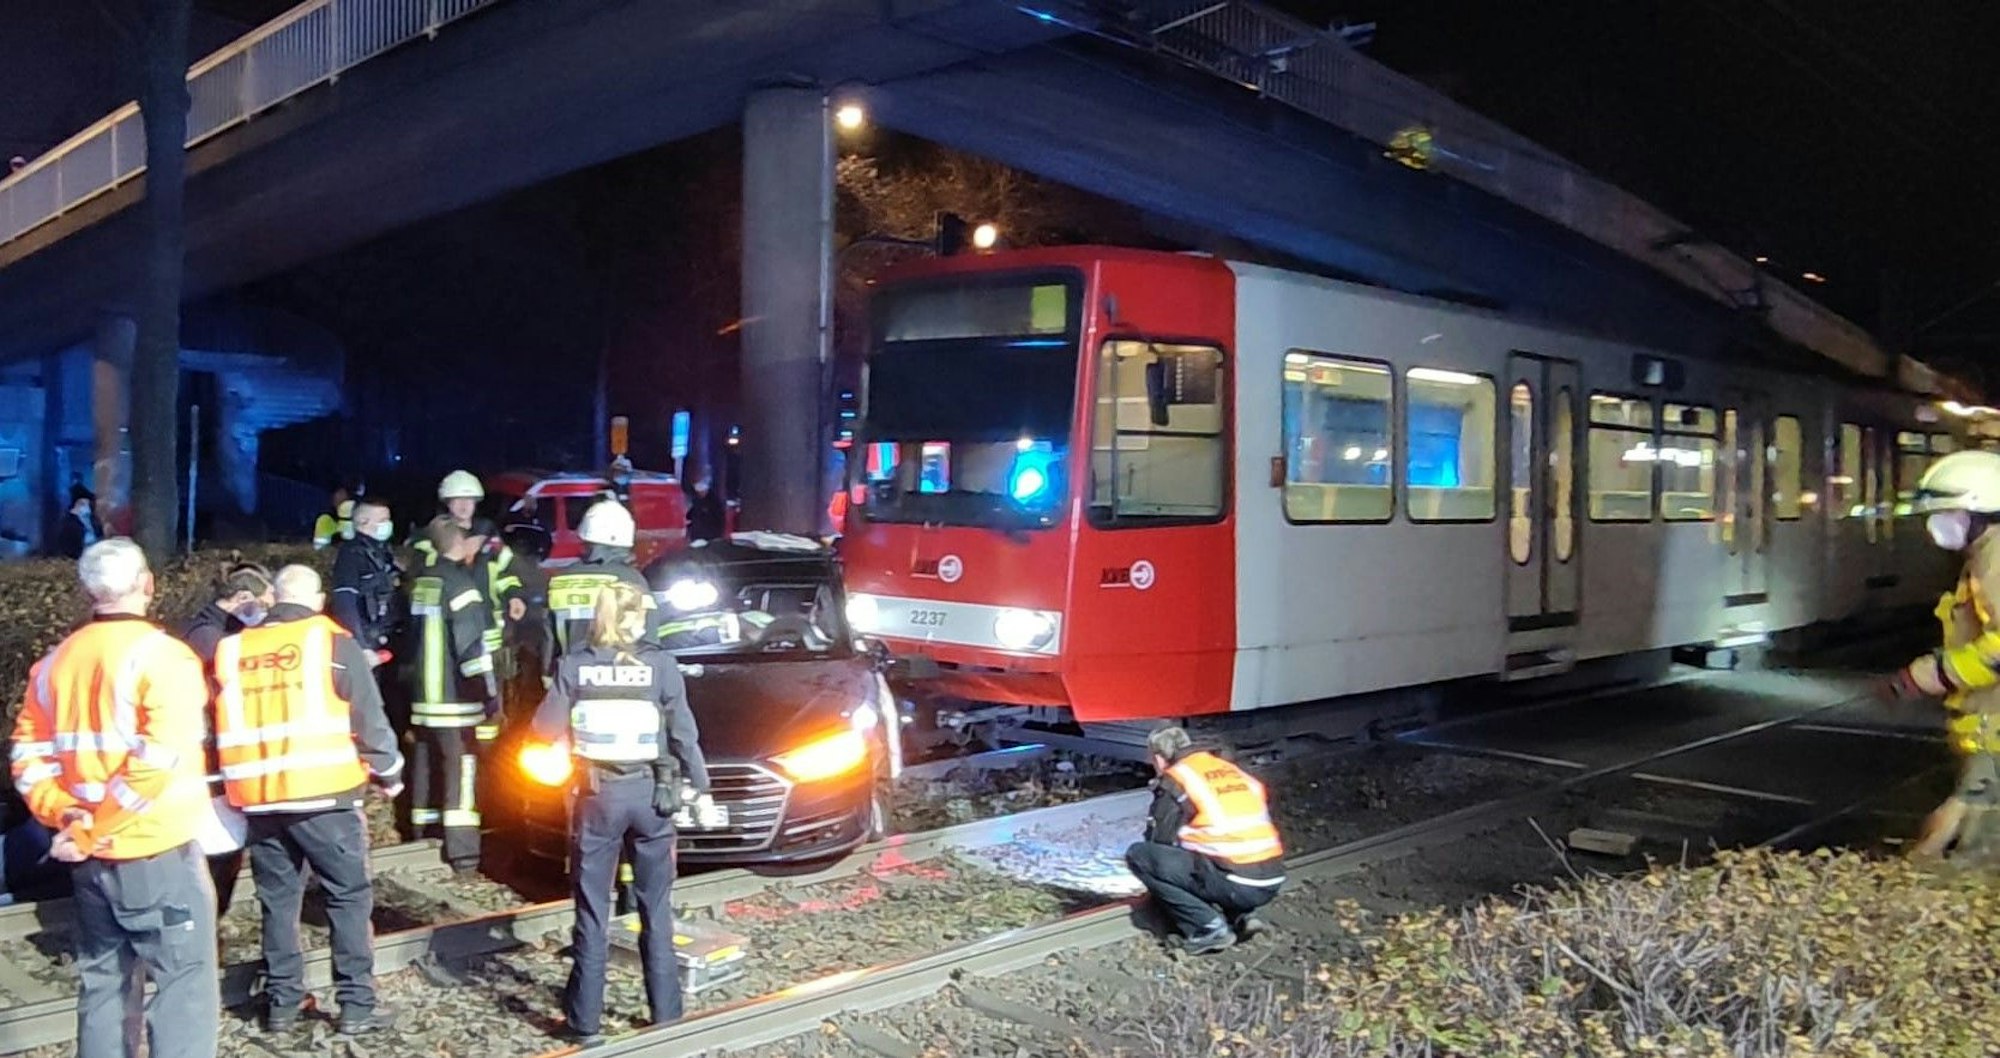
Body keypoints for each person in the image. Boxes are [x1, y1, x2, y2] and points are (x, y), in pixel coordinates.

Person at [8, 539, 221, 1058]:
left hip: (87, 855)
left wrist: (63, 813)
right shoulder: (166, 658)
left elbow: (26, 755)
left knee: (103, 982)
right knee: (184, 986)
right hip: (152, 847)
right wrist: (92, 829)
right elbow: (156, 761)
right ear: (147, 584)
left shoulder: (54, 663)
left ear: (87, 592)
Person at [214, 565, 403, 1034]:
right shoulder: (331, 641)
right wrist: (389, 770)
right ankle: (356, 1005)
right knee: (348, 897)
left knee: (277, 902)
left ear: (276, 598)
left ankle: (282, 1003)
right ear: (316, 599)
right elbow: (368, 714)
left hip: (258, 799)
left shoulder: (233, 649)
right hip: (324, 795)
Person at [530, 581, 715, 1043]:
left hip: (598, 798)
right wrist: (703, 788)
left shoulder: (576, 665)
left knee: (593, 910)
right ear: (638, 619)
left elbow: (542, 729)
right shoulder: (661, 666)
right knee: (657, 908)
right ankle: (666, 1016)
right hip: (655, 797)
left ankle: (584, 1023)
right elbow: (684, 735)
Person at [1886, 449, 2000, 859]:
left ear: (1980, 511)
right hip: (1988, 736)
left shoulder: (1997, 561)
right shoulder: (1984, 557)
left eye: (1947, 512)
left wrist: (1937, 672)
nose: (1937, 524)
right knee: (1957, 824)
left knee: (1975, 852)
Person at [1125, 726, 1285, 954]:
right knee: (1213, 856)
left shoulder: (1176, 779)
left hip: (1236, 882)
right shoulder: (1229, 769)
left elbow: (1159, 841)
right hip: (1271, 875)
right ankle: (1243, 916)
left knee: (1140, 856)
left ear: (1160, 760)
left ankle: (1207, 927)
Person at [180, 560, 275, 916]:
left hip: (217, 756)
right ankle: (208, 922)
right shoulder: (209, 638)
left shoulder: (210, 629)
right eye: (263, 604)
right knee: (219, 848)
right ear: (243, 598)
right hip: (211, 761)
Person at [409, 516, 498, 872]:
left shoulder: (423, 583)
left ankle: (423, 834)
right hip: (455, 701)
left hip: (422, 698)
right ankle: (463, 854)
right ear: (459, 544)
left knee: (426, 765)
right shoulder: (461, 586)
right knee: (461, 769)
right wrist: (489, 696)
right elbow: (471, 650)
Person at [415, 470, 527, 702]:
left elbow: (506, 570)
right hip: (453, 627)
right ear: (447, 502)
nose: (464, 506)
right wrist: (463, 552)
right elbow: (427, 570)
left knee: (491, 690)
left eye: (469, 500)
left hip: (488, 625)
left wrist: (514, 595)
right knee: (459, 687)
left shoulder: (488, 534)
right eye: (458, 500)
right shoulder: (433, 535)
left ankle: (490, 734)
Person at [544, 499, 657, 671]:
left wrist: (547, 675)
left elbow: (548, 639)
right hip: (622, 678)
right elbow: (649, 639)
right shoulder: (633, 580)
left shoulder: (560, 580)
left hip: (569, 679)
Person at [53, 486, 102, 559]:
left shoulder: (93, 520)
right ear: (77, 504)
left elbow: (99, 535)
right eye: (84, 504)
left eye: (88, 504)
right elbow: (66, 549)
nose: (87, 507)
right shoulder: (68, 524)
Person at [685, 477, 725, 544]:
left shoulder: (714, 502)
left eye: (701, 492)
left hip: (710, 535)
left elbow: (719, 518)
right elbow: (692, 513)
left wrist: (718, 534)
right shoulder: (697, 501)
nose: (700, 494)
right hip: (697, 535)